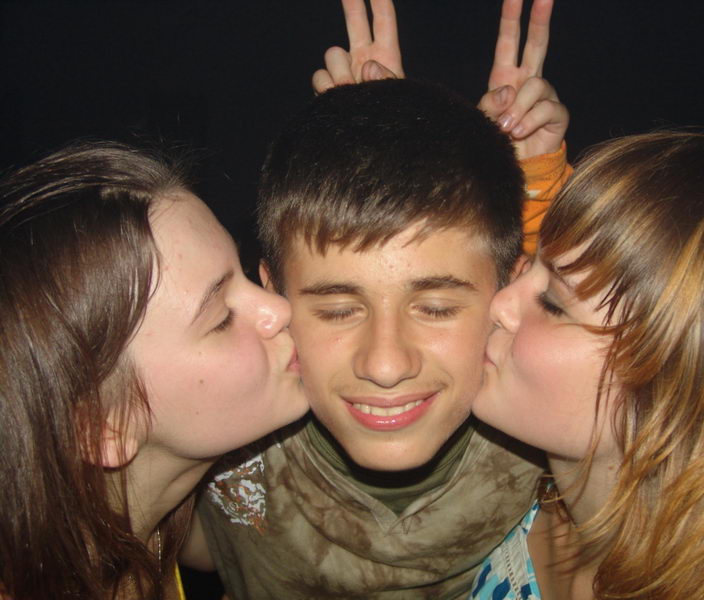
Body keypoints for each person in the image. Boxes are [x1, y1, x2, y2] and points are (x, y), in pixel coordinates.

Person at [184, 0, 571, 597]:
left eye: (437, 308)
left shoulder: (546, 434)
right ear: (271, 298)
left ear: (509, 297)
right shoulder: (228, 430)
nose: (386, 365)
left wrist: (537, 202)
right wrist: (359, 152)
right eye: (337, 310)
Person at [471, 131, 704, 599]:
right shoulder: (540, 502)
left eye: (552, 304)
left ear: (675, 390)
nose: (500, 302)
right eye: (530, 264)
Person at [0, 141, 307, 600]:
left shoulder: (159, 532)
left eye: (244, 272)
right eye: (221, 318)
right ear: (103, 427)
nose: (280, 308)